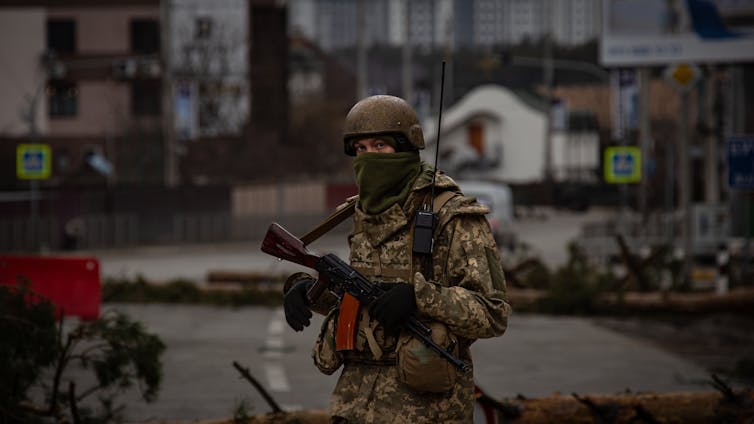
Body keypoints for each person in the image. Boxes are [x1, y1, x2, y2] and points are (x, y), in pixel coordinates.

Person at [283, 95, 510, 423]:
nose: (369, 157)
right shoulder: (361, 212)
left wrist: (420, 298)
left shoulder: (451, 215)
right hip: (356, 404)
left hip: (426, 410)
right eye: (360, 149)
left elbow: (492, 313)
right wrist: (308, 291)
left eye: (380, 146)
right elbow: (361, 304)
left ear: (407, 148)